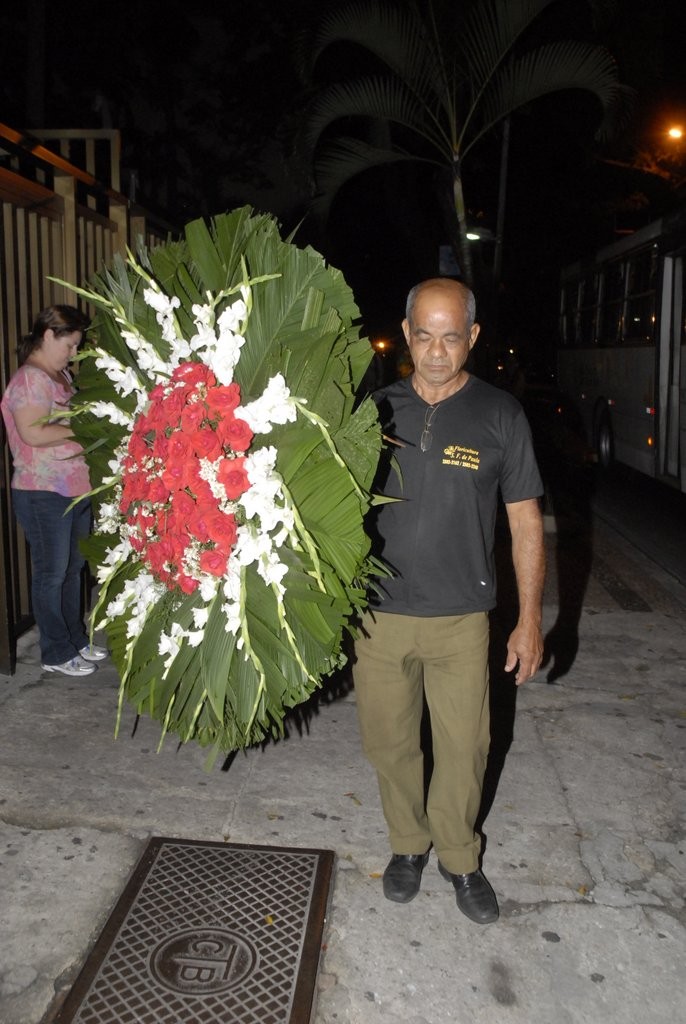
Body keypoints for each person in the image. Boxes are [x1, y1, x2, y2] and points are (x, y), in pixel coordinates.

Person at [354, 278, 545, 924]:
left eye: (452, 336)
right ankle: (407, 846)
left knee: (465, 748)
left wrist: (528, 621)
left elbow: (524, 523)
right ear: (406, 335)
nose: (437, 351)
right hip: (379, 616)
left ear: (473, 338)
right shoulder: (373, 413)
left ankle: (460, 857)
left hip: (463, 618)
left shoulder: (500, 415)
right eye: (424, 335)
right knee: (390, 743)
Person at [1, 305, 107, 676]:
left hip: (72, 487)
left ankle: (75, 640)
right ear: (49, 335)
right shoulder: (30, 379)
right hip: (42, 489)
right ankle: (56, 652)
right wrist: (85, 432)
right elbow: (32, 434)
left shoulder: (59, 373)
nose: (74, 353)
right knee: (52, 573)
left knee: (73, 569)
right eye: (71, 344)